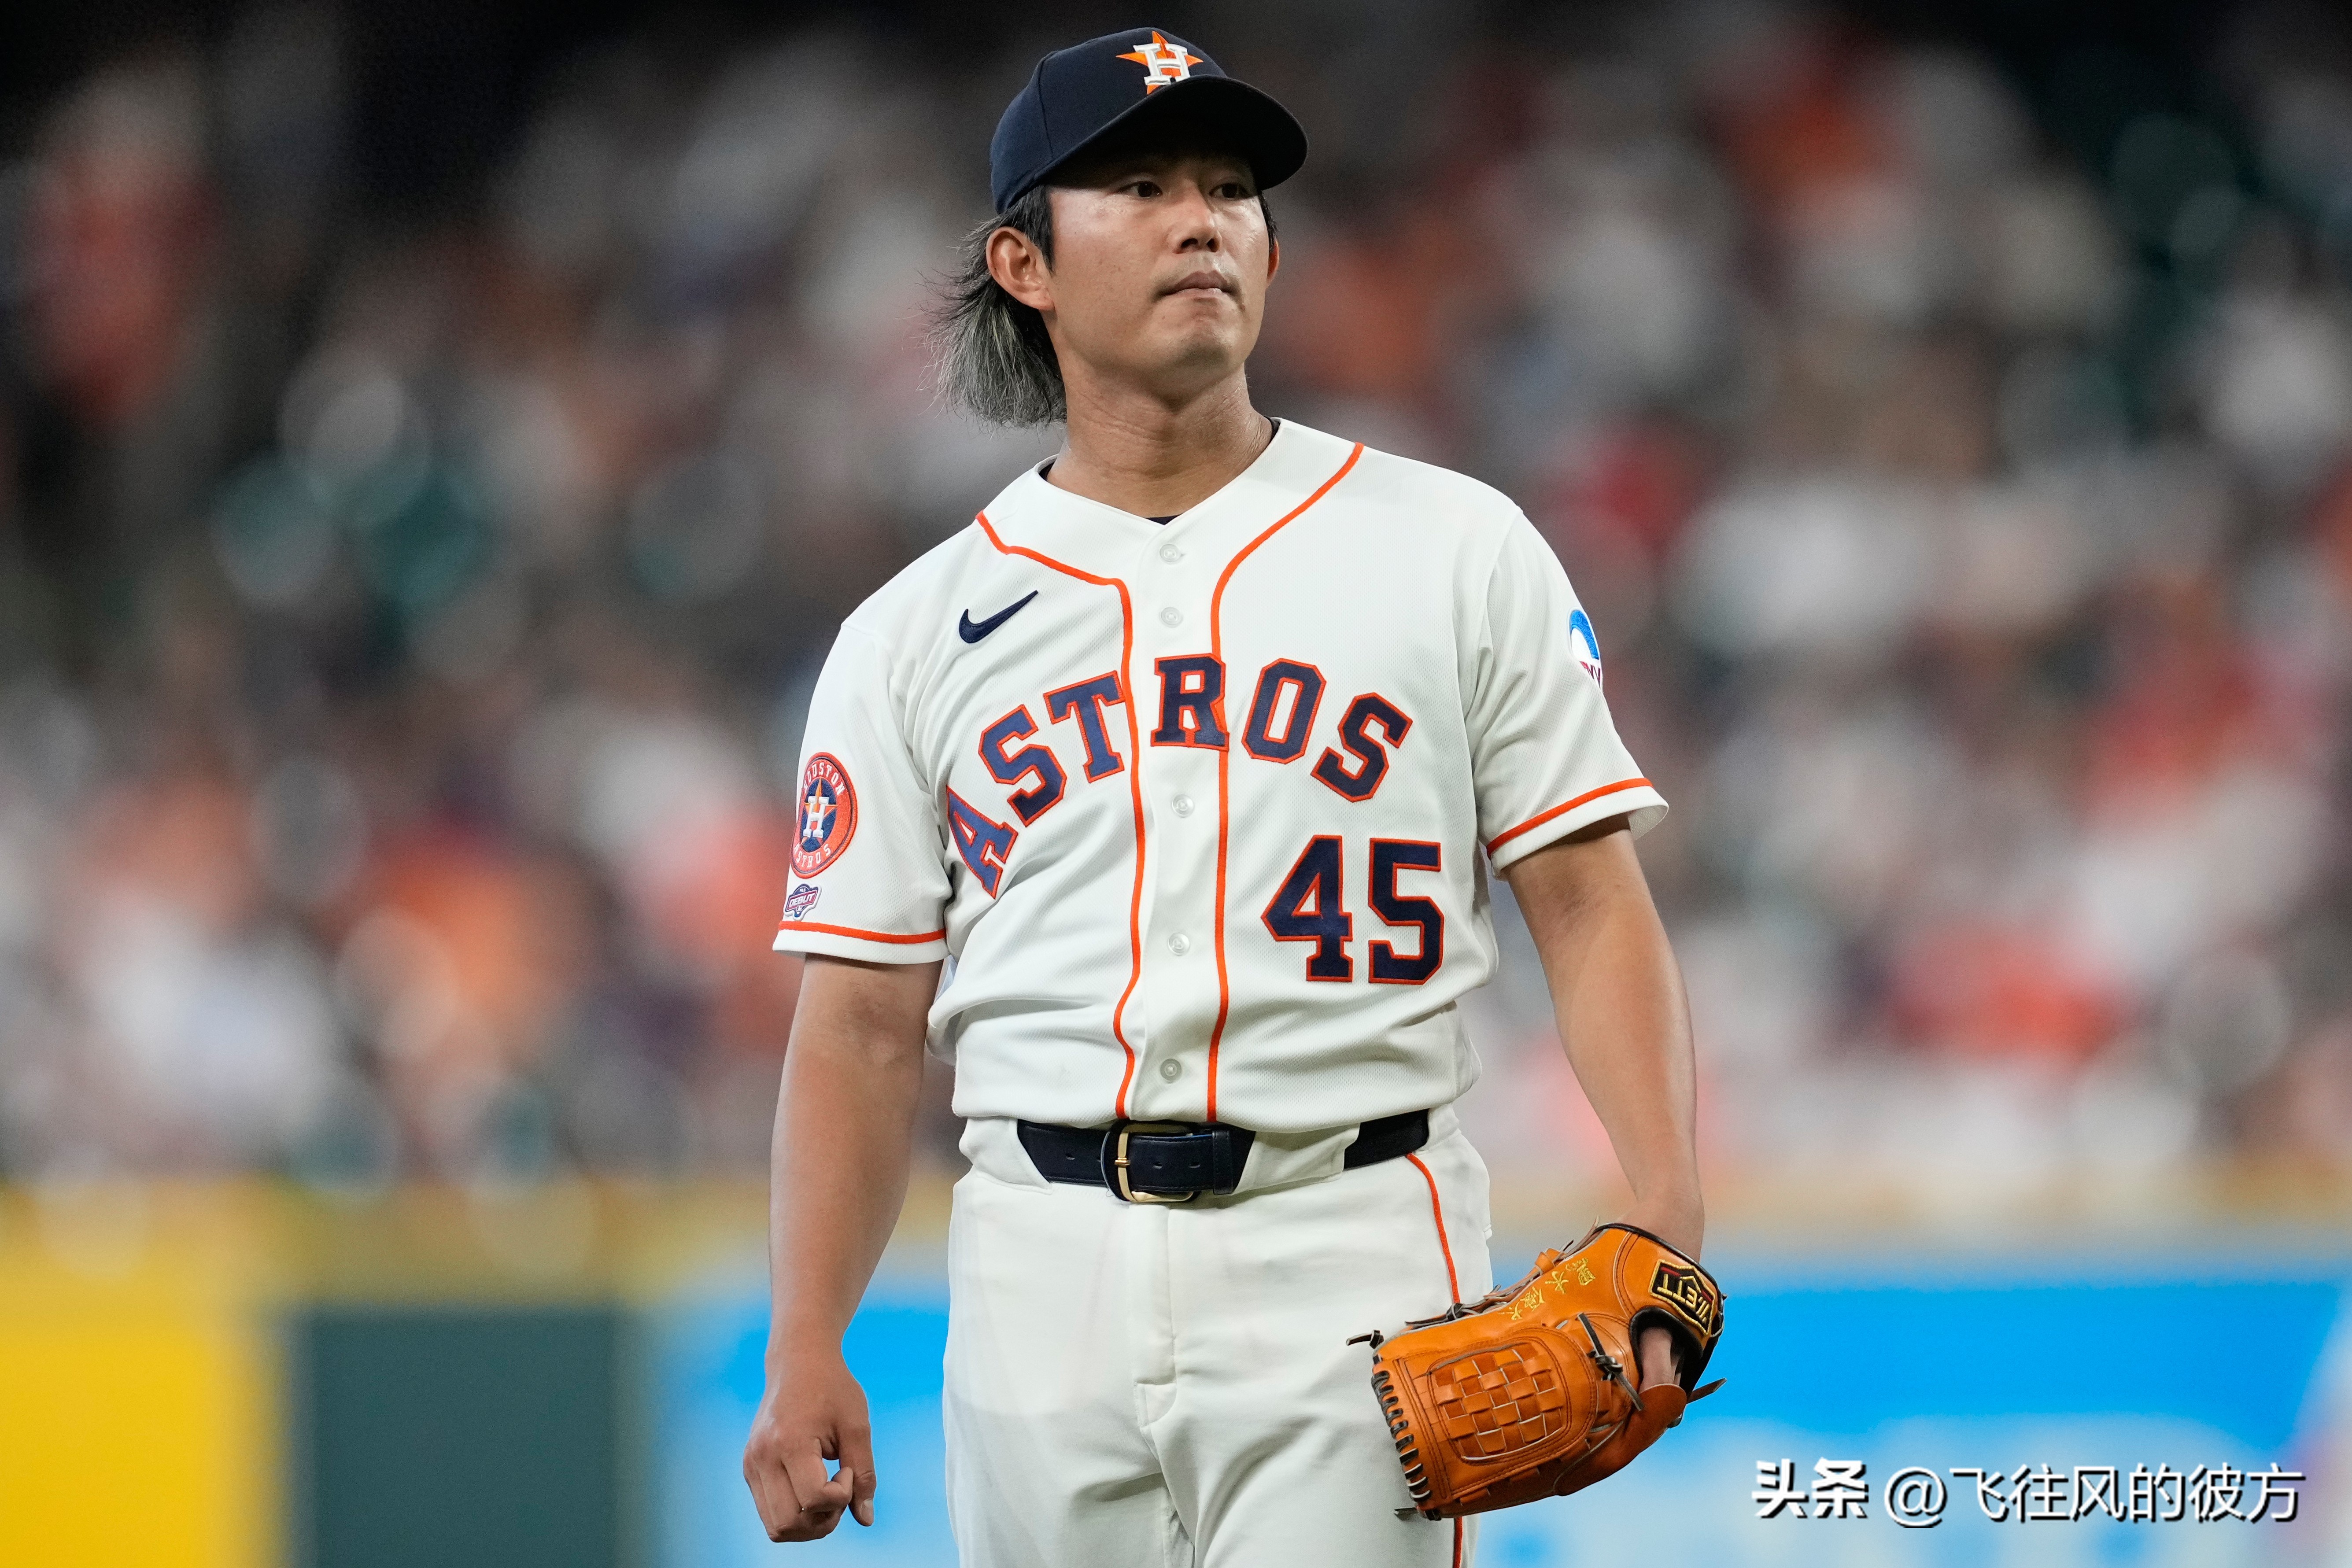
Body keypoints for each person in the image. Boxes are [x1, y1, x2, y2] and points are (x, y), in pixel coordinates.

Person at [743, 26, 1703, 1566]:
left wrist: (1665, 1216)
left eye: (1229, 189)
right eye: (1140, 187)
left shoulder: (1453, 547)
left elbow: (1589, 902)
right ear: (1024, 264)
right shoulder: (911, 633)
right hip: (1037, 1267)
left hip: (1355, 1237)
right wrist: (805, 1340)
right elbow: (858, 1024)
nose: (1200, 220)